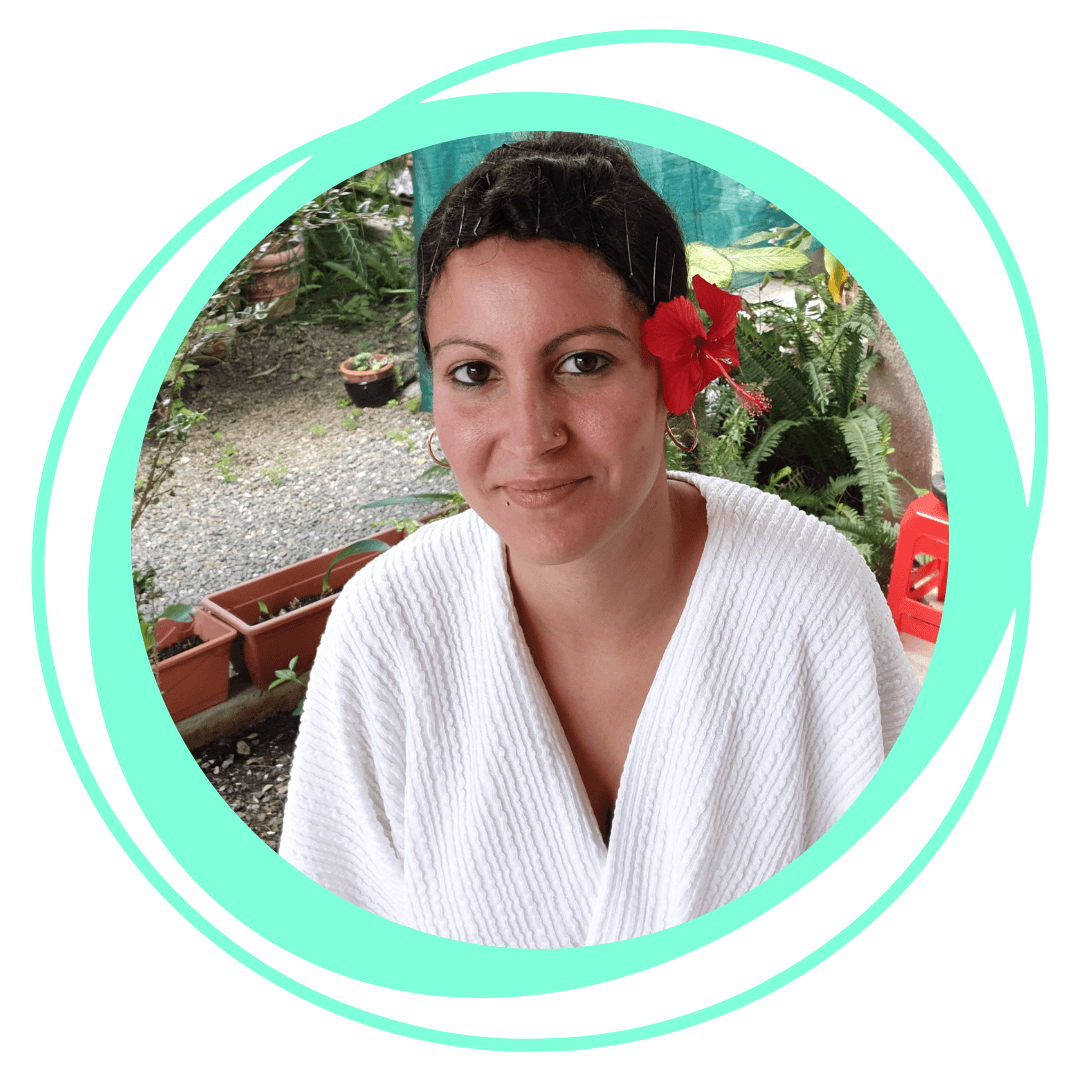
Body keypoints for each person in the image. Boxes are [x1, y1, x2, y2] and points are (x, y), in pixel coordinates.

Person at [278, 133, 918, 948]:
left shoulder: (808, 597)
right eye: (474, 373)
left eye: (583, 363)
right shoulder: (389, 626)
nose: (531, 435)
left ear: (675, 370)